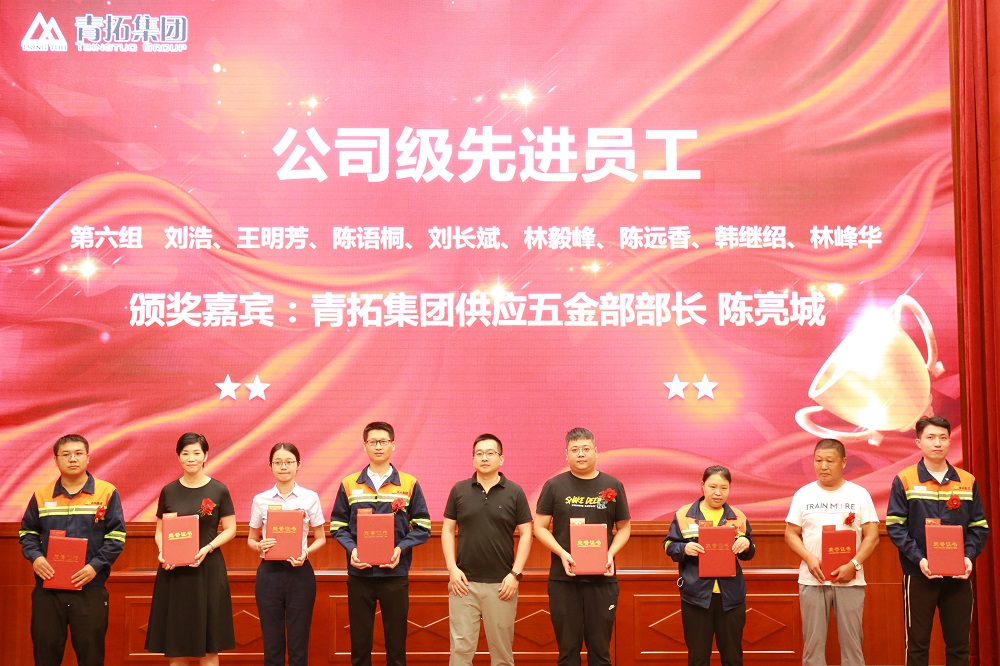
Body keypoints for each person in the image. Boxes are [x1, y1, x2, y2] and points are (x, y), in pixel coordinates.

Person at [886, 415, 990, 666]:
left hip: (958, 576)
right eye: (931, 437)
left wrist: (968, 557)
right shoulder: (905, 479)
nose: (937, 443)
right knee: (917, 645)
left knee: (959, 646)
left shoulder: (967, 481)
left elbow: (979, 527)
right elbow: (895, 526)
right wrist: (919, 559)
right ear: (918, 442)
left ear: (949, 442)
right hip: (919, 574)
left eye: (943, 438)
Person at [329, 421, 432, 666]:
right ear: (364, 446)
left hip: (395, 574)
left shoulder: (409, 483)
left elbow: (423, 526)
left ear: (393, 445)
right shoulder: (349, 483)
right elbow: (337, 526)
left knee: (396, 646)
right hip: (360, 574)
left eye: (383, 441)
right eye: (373, 442)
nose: (378, 446)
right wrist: (352, 550)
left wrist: (400, 549)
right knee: (359, 645)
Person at [19, 434, 126, 666]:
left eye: (78, 453)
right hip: (48, 590)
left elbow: (116, 537)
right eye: (66, 454)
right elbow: (27, 533)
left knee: (91, 657)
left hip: (90, 588)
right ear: (56, 460)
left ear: (88, 457)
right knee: (45, 656)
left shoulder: (107, 492)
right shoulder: (41, 495)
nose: (73, 459)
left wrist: (94, 567)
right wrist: (36, 558)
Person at [533, 427, 631, 666]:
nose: (581, 454)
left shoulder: (612, 485)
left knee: (601, 652)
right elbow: (540, 527)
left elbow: (624, 528)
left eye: (586, 449)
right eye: (575, 449)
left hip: (603, 579)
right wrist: (562, 553)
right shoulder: (554, 486)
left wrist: (610, 554)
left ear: (596, 452)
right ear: (566, 454)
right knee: (568, 652)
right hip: (564, 579)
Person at [784, 438, 880, 666]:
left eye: (830, 461)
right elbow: (790, 534)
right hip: (813, 579)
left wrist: (853, 565)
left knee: (852, 646)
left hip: (850, 580)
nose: (823, 466)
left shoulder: (859, 494)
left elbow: (872, 536)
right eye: (818, 461)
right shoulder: (803, 494)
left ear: (843, 462)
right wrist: (809, 558)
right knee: (813, 647)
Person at [145, 432, 237, 666]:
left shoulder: (219, 489)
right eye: (185, 453)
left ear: (205, 455)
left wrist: (208, 547)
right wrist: (162, 551)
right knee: (176, 648)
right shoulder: (168, 491)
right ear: (178, 457)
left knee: (209, 648)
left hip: (208, 571)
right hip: (174, 572)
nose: (191, 458)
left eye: (196, 453)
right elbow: (160, 531)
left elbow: (230, 529)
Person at [442, 433, 533, 666]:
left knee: (502, 652)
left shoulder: (515, 492)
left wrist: (515, 574)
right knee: (460, 649)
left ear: (501, 459)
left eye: (490, 453)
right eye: (479, 453)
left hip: (502, 585)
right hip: (464, 583)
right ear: (473, 458)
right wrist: (452, 569)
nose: (484, 458)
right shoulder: (459, 490)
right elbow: (447, 530)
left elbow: (526, 533)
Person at [664, 465, 755, 666]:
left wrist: (747, 543)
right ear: (702, 486)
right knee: (698, 657)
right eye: (712, 486)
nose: (718, 492)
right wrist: (684, 548)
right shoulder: (684, 514)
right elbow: (669, 545)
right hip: (696, 597)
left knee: (732, 657)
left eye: (723, 488)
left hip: (731, 598)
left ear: (730, 488)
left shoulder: (738, 516)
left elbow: (749, 551)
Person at [248, 443, 327, 666]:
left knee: (298, 644)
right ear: (270, 466)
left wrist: (305, 552)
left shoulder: (310, 497)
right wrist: (260, 545)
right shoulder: (260, 499)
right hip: (269, 575)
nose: (284, 467)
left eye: (289, 462)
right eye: (278, 462)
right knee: (272, 644)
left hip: (299, 573)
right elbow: (251, 540)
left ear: (298, 465)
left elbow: (321, 538)